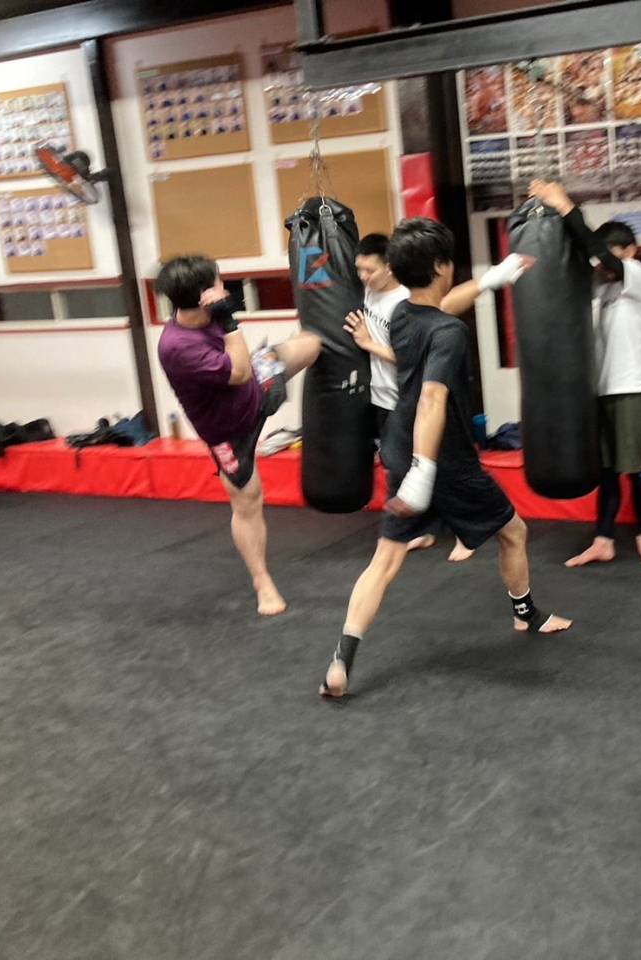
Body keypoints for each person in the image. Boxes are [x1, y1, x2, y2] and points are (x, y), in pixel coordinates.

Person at [321, 218, 570, 698]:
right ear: (440, 266)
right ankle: (527, 615)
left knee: (385, 560)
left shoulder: (401, 314)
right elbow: (433, 398)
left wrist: (492, 279)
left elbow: (443, 307)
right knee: (513, 532)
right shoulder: (450, 334)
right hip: (443, 458)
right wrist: (425, 468)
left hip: (398, 446)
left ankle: (341, 659)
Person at [156, 255, 322, 616]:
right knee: (248, 502)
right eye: (218, 282)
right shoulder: (178, 346)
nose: (224, 286)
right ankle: (263, 582)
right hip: (229, 431)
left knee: (311, 344)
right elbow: (240, 372)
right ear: (205, 296)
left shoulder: (207, 314)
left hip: (257, 388)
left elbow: (248, 369)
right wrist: (229, 319)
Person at [527, 179, 641, 567]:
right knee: (606, 472)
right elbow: (571, 272)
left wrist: (565, 205)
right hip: (599, 391)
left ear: (630, 251)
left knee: (634, 470)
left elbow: (600, 255)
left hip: (632, 388)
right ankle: (603, 540)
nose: (601, 267)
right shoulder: (601, 286)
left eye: (610, 257)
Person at [344, 233, 473, 562]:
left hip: (413, 397)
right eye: (359, 269)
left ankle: (466, 532)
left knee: (442, 466)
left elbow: (412, 358)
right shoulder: (368, 293)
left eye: (369, 270)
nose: (363, 276)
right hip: (384, 397)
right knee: (398, 465)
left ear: (390, 267)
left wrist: (368, 343)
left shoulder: (405, 304)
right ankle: (424, 528)